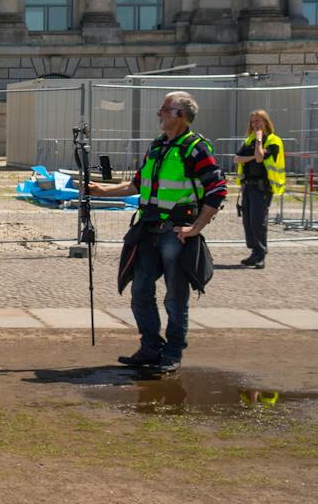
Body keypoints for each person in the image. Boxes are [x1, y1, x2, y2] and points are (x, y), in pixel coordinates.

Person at [90, 90, 227, 370]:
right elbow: (137, 185)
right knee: (140, 291)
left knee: (175, 297)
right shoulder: (156, 146)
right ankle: (150, 347)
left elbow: (217, 189)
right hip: (148, 230)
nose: (159, 114)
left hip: (176, 234)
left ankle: (173, 353)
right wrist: (99, 189)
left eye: (164, 109)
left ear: (180, 115)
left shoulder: (196, 148)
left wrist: (196, 227)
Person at [235, 109, 286, 268]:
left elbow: (259, 157)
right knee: (248, 222)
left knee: (258, 222)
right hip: (248, 186)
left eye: (258, 121)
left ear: (266, 122)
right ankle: (254, 252)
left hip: (262, 188)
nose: (255, 124)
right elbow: (237, 158)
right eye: (253, 121)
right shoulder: (248, 140)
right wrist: (253, 149)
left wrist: (259, 141)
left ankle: (261, 254)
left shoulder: (273, 141)